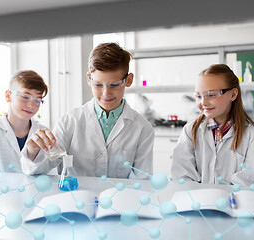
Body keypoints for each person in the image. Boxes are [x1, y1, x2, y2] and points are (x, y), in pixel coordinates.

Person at [21, 43, 154, 179]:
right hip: (76, 196)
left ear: (129, 80)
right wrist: (33, 151)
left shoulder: (143, 128)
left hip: (118, 198)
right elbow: (40, 168)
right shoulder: (70, 121)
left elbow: (142, 180)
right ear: (89, 79)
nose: (106, 93)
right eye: (98, 84)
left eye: (114, 85)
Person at [171, 64, 254, 186]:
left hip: (234, 203)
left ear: (233, 94)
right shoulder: (190, 131)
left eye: (211, 94)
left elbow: (250, 180)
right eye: (198, 96)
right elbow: (181, 177)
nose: (203, 102)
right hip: (196, 202)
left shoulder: (252, 135)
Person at [0, 70, 49, 172]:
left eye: (37, 101)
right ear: (8, 96)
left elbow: (50, 175)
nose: (31, 105)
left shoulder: (43, 133)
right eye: (25, 97)